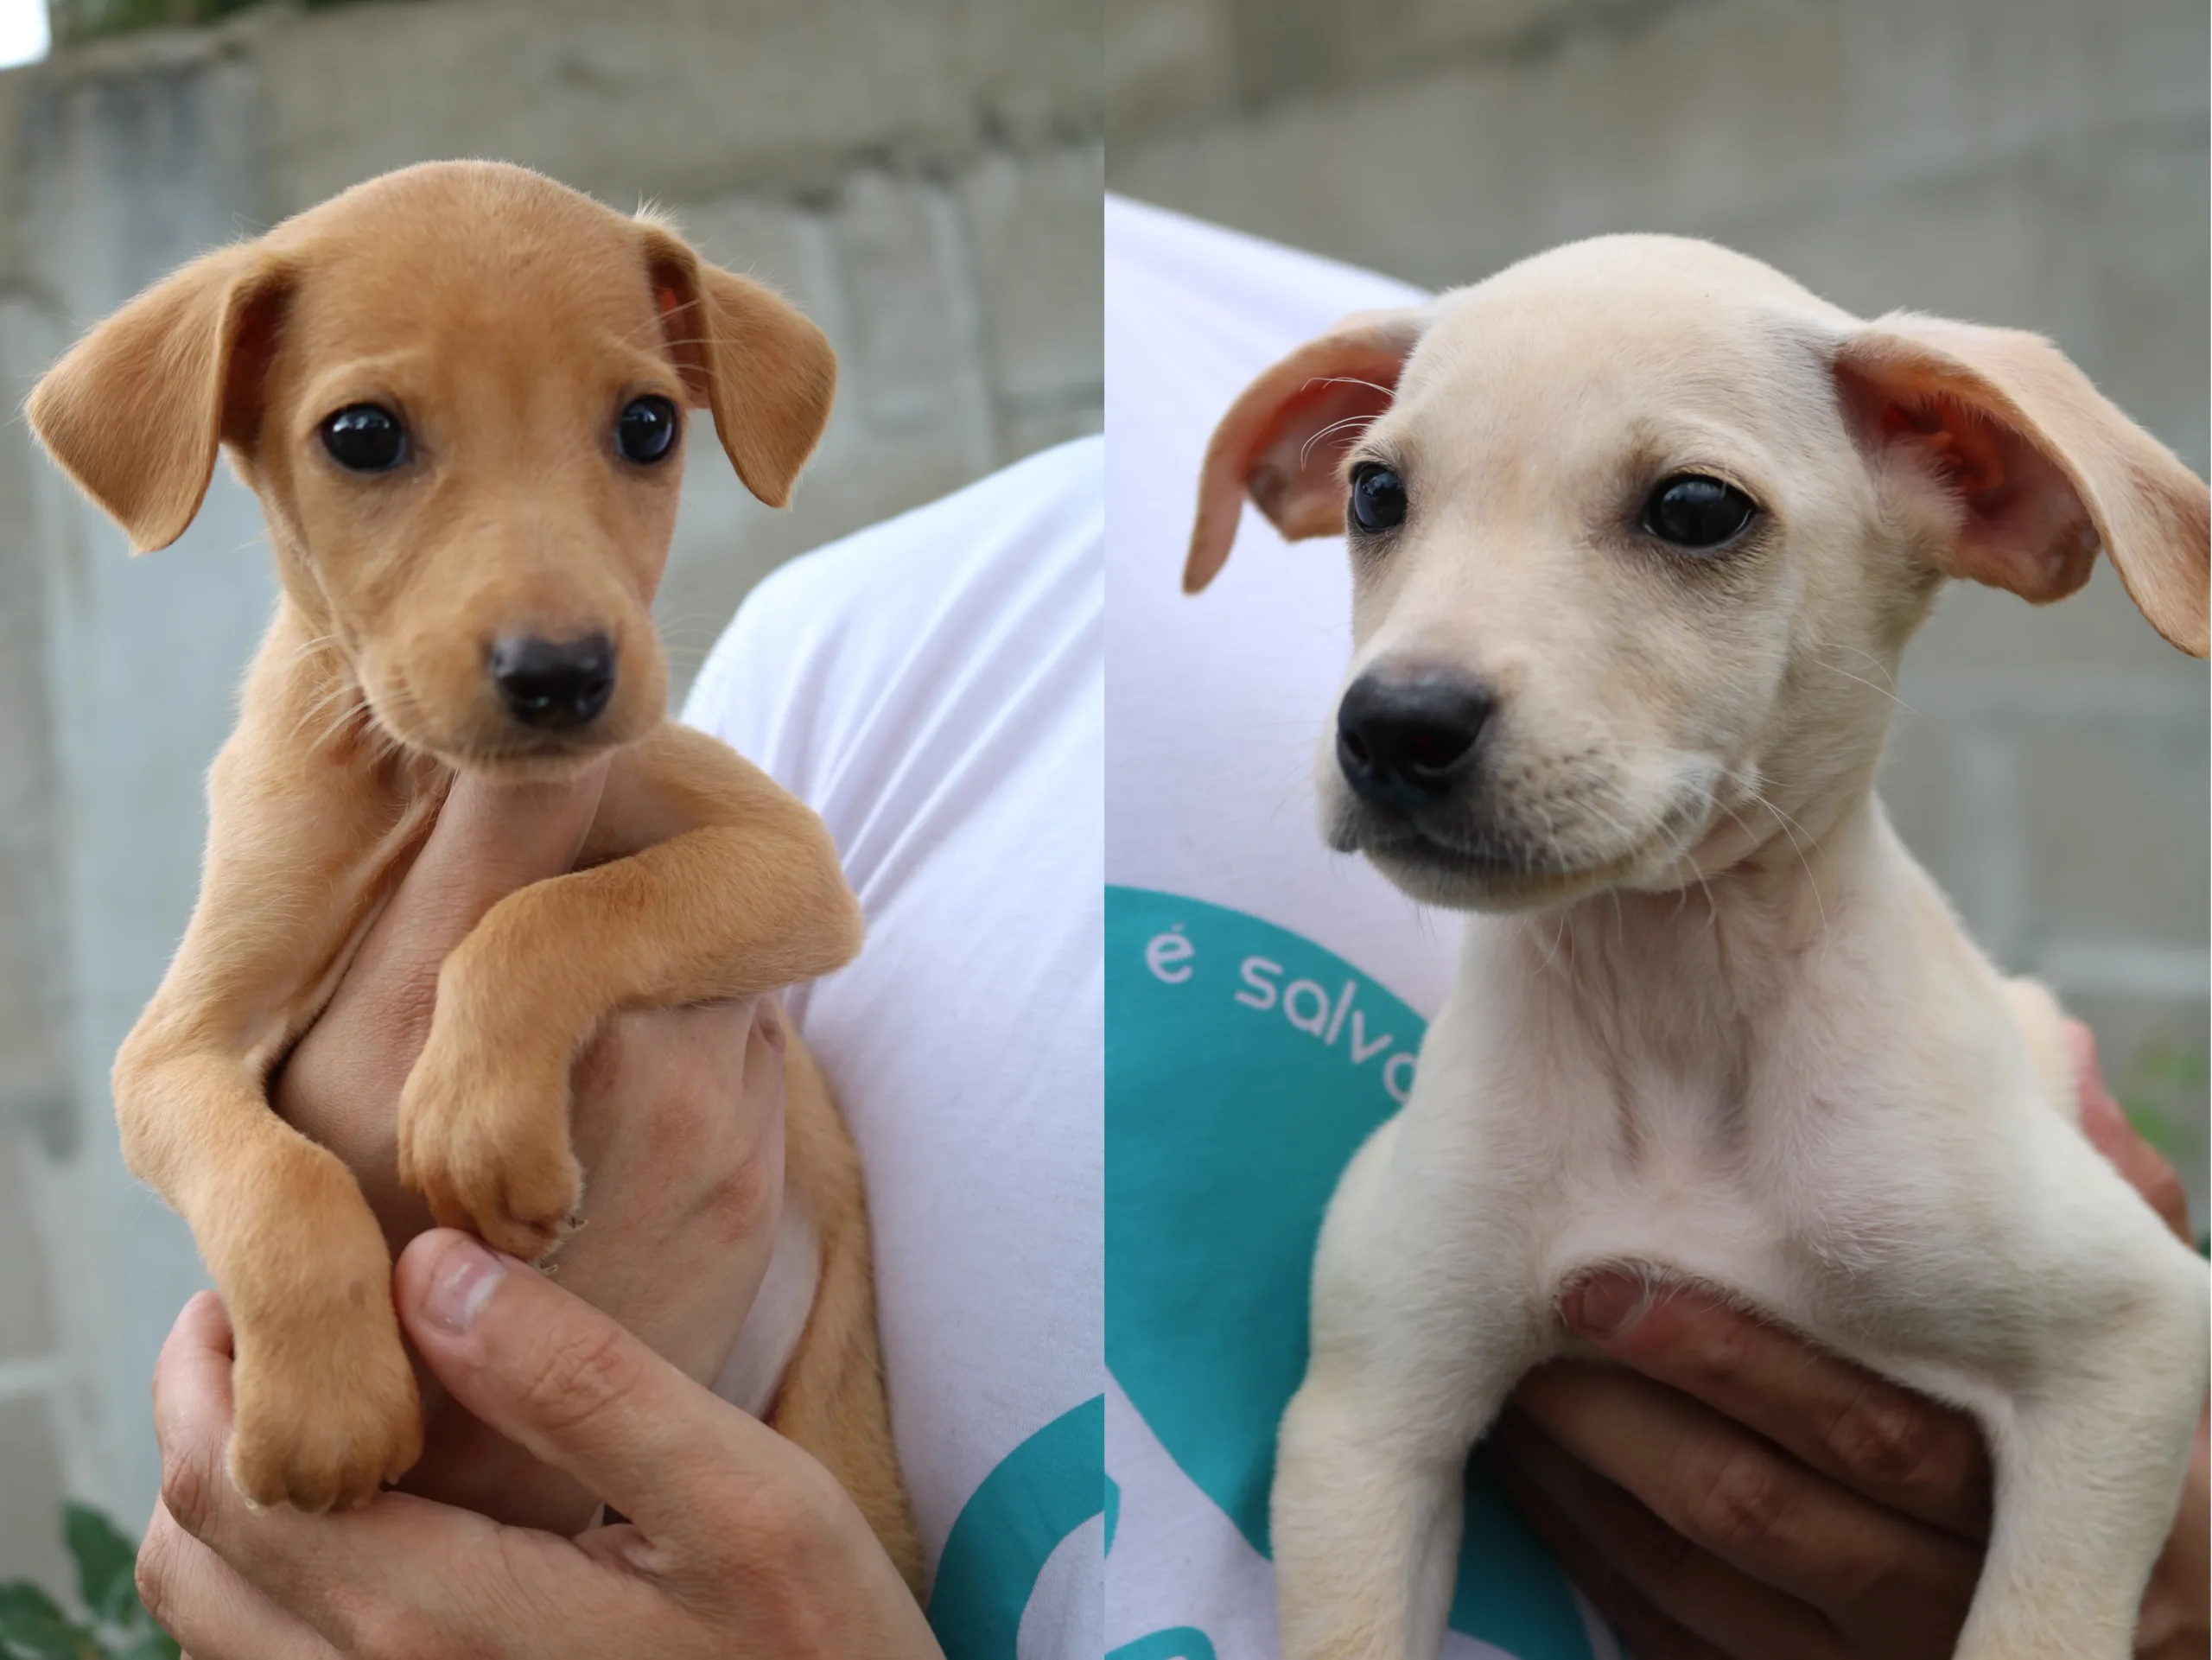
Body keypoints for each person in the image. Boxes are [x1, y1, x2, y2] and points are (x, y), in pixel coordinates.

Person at [1100, 194, 2209, 1659]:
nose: (1411, 685)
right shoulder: (1475, 1147)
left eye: (1689, 515)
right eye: (1386, 501)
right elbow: (1369, 1432)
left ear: (1973, 484)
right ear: (1308, 474)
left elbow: (2138, 1333)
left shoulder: (1914, 1147)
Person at [137, 437, 1105, 1657]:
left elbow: (802, 890)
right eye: (372, 441)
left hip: (805, 1433)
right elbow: (175, 1067)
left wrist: (524, 973)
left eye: (641, 432)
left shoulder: (607, 727)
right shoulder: (290, 779)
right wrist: (299, 1267)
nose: (540, 586)